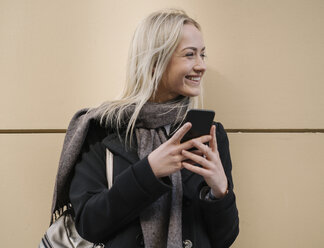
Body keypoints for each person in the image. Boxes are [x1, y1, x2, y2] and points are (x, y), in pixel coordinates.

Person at [50, 9, 239, 248]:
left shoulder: (209, 134)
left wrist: (219, 191)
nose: (201, 65)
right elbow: (88, 224)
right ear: (154, 62)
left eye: (203, 55)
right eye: (190, 55)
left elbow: (225, 238)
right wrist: (148, 172)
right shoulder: (103, 128)